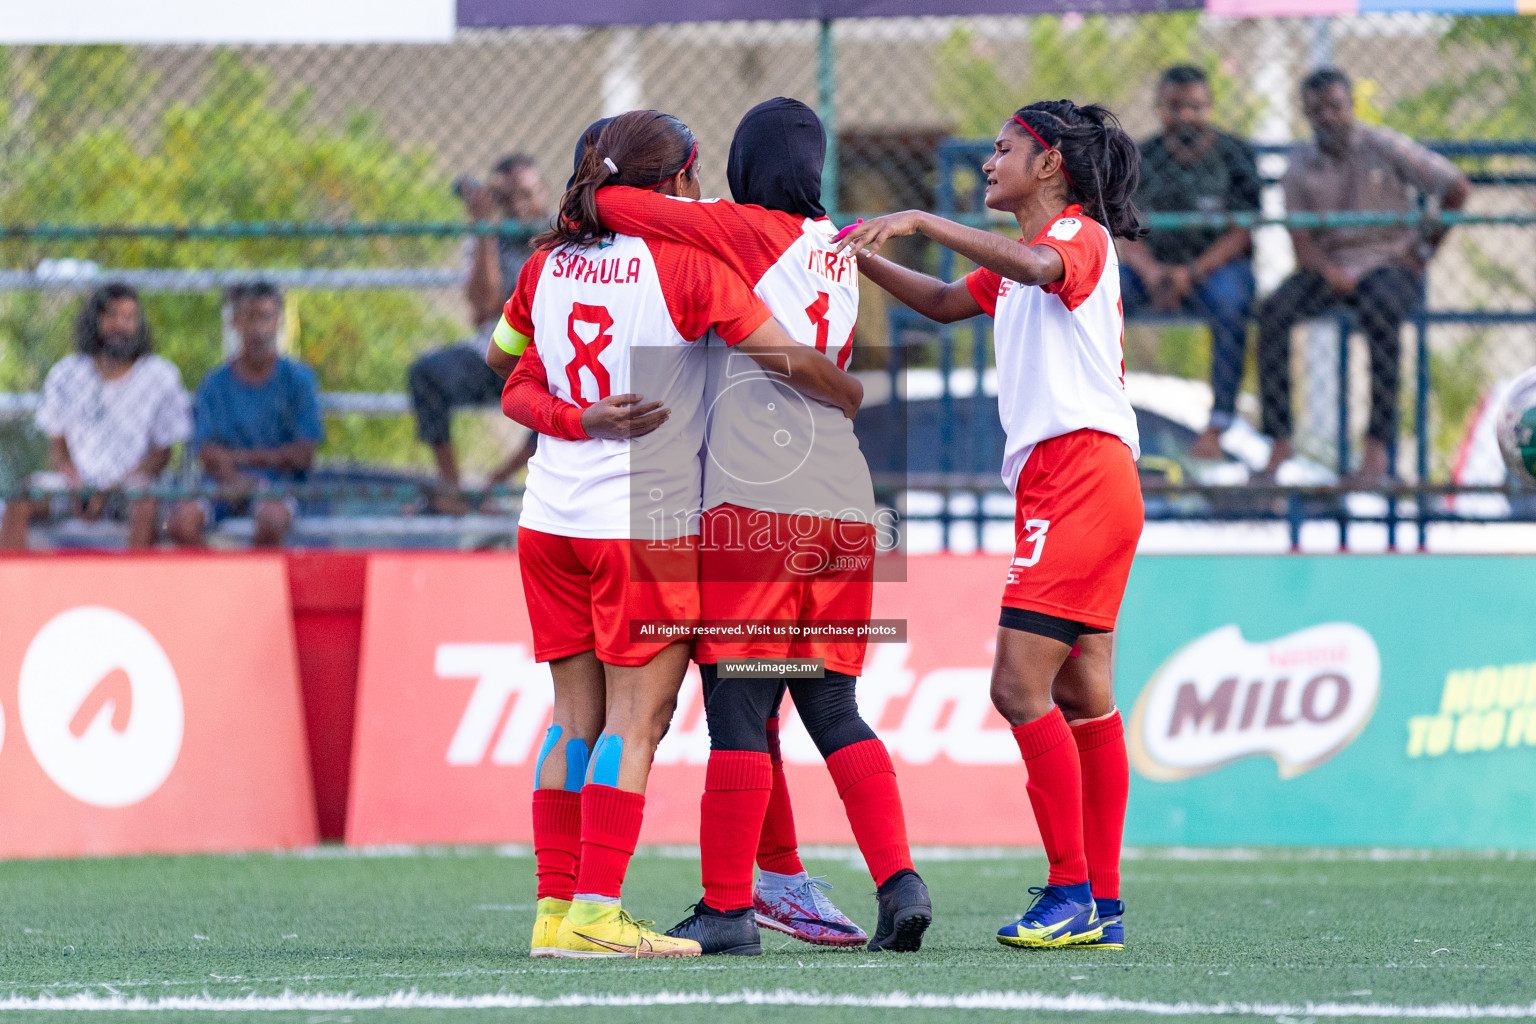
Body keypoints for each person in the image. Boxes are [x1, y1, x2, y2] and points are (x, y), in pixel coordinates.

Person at [488, 109, 863, 959]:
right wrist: (845, 391)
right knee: (639, 717)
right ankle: (596, 911)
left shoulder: (544, 264)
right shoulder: (687, 267)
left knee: (569, 719)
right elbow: (784, 356)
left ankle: (553, 909)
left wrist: (576, 417)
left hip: (548, 517)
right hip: (640, 526)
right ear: (681, 181)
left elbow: (504, 370)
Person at [590, 97, 929, 955]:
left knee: (740, 713)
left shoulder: (747, 230)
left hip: (760, 510)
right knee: (836, 706)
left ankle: (728, 907)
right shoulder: (840, 249)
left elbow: (621, 205)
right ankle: (900, 884)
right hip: (850, 506)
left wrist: (588, 182)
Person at [835, 98, 1145, 949]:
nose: (988, 161)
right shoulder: (1019, 262)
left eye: (1005, 149)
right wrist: (856, 255)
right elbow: (939, 301)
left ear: (1050, 166)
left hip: (1081, 474)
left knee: (1017, 688)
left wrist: (922, 218)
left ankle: (1070, 891)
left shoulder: (1077, 236)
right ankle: (1102, 905)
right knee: (1082, 695)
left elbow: (1042, 267)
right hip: (1068, 480)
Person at [1258, 67, 1470, 484]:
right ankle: (1280, 443)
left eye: (1336, 106)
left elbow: (1455, 187)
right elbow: (1301, 243)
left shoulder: (1384, 145)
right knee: (1272, 312)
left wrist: (1424, 249)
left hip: (1388, 265)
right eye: (1317, 110)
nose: (1328, 116)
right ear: (1306, 113)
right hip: (1327, 268)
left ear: (1351, 106)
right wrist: (1330, 272)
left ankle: (1376, 450)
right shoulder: (1299, 164)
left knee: (1383, 313)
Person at [1119, 65, 1261, 459]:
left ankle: (1219, 424)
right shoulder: (1140, 157)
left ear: (1210, 106)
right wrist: (1152, 273)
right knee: (1096, 295)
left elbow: (1244, 230)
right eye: (1175, 106)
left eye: (1194, 107)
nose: (1185, 116)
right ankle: (1099, 413)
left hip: (1214, 268)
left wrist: (1192, 273)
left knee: (1232, 303)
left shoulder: (1234, 154)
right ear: (1159, 108)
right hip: (1151, 268)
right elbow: (1121, 226)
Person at [0, 283, 191, 550]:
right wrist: (78, 484)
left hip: (130, 485)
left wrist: (113, 488)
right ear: (94, 321)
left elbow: (162, 455)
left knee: (147, 500)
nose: (120, 326)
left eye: (129, 317)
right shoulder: (66, 373)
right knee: (21, 497)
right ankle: (13, 587)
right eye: (111, 315)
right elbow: (58, 448)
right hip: (74, 485)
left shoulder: (160, 375)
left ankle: (134, 585)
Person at [407, 153, 549, 512]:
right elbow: (483, 304)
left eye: (528, 194)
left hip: (546, 358)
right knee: (427, 373)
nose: (521, 205)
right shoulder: (490, 238)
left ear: (543, 193)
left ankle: (493, 486)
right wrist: (485, 227)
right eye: (510, 197)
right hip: (498, 355)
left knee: (568, 392)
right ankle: (452, 486)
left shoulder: (559, 236)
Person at [168, 282, 323, 547]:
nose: (258, 328)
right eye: (250, 317)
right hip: (222, 484)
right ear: (236, 322)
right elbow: (207, 452)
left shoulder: (298, 380)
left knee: (271, 519)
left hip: (279, 487)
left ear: (277, 322)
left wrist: (247, 469)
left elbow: (303, 454)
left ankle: (261, 587)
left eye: (266, 317)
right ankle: (217, 582)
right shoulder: (215, 384)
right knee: (182, 521)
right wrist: (237, 479)